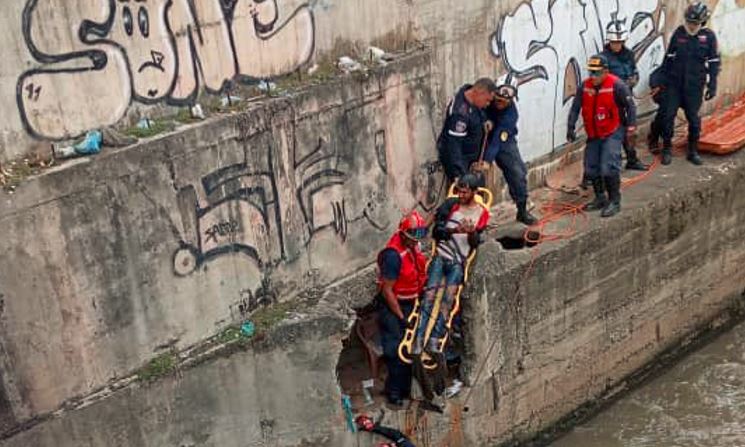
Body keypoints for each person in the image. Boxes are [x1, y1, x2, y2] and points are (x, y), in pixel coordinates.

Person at [412, 174, 489, 388]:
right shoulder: (451, 205)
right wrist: (454, 230)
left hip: (458, 262)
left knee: (447, 303)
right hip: (441, 258)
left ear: (474, 192)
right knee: (429, 298)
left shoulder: (482, 214)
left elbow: (475, 243)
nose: (461, 195)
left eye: (465, 192)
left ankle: (435, 342)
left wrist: (471, 232)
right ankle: (418, 342)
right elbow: (437, 231)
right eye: (460, 191)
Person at [567, 54, 637, 218]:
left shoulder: (617, 86)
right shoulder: (584, 87)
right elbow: (575, 107)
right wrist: (570, 127)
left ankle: (615, 200)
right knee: (591, 166)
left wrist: (631, 127)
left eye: (597, 73)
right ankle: (600, 197)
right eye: (591, 72)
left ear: (605, 71)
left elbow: (630, 106)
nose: (593, 76)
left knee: (609, 165)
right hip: (593, 133)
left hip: (612, 131)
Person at [377, 211, 429, 406]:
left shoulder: (412, 246)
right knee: (395, 350)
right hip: (395, 306)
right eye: (413, 237)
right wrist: (401, 317)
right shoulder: (393, 256)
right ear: (404, 234)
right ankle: (394, 392)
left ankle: (405, 389)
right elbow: (387, 291)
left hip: (411, 302)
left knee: (409, 350)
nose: (416, 242)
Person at [659, 1, 720, 166]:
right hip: (674, 85)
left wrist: (712, 84)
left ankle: (692, 151)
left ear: (702, 22)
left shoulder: (708, 37)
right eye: (689, 22)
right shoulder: (679, 34)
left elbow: (714, 62)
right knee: (667, 117)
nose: (692, 26)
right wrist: (662, 81)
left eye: (695, 23)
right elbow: (668, 58)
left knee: (694, 120)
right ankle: (666, 149)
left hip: (694, 86)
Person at [483, 83, 539, 225]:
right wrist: (485, 120)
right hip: (480, 138)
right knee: (474, 179)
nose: (499, 104)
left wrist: (488, 160)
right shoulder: (487, 100)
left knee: (518, 173)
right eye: (498, 100)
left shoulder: (511, 114)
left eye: (504, 102)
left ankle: (522, 210)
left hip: (503, 141)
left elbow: (498, 139)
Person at [601, 19, 648, 171]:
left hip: (626, 99)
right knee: (609, 135)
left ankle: (632, 159)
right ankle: (597, 170)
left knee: (630, 130)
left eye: (620, 42)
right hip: (610, 103)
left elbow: (635, 71)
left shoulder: (629, 55)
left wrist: (633, 80)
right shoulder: (602, 58)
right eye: (615, 42)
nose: (617, 45)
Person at [437, 78, 499, 182]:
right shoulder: (460, 114)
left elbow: (481, 113)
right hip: (461, 161)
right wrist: (459, 174)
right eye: (487, 100)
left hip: (474, 158)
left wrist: (487, 121)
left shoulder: (474, 98)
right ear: (480, 93)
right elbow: (453, 146)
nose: (488, 104)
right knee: (466, 194)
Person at [647, 65, 668, 154]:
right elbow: (654, 76)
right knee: (662, 115)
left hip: (679, 94)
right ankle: (653, 139)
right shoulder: (668, 65)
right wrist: (656, 86)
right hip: (664, 94)